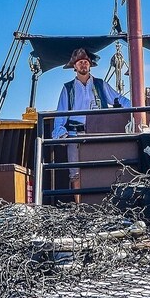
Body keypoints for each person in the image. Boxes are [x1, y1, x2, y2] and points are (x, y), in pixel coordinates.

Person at [52, 47, 131, 196]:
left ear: (90, 65)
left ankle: (102, 205)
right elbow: (60, 116)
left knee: (100, 169)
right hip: (75, 135)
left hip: (97, 134)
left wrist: (137, 107)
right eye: (80, 62)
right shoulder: (67, 89)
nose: (83, 64)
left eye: (86, 62)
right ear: (74, 67)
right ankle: (79, 207)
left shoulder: (101, 85)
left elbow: (119, 99)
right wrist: (60, 133)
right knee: (75, 173)